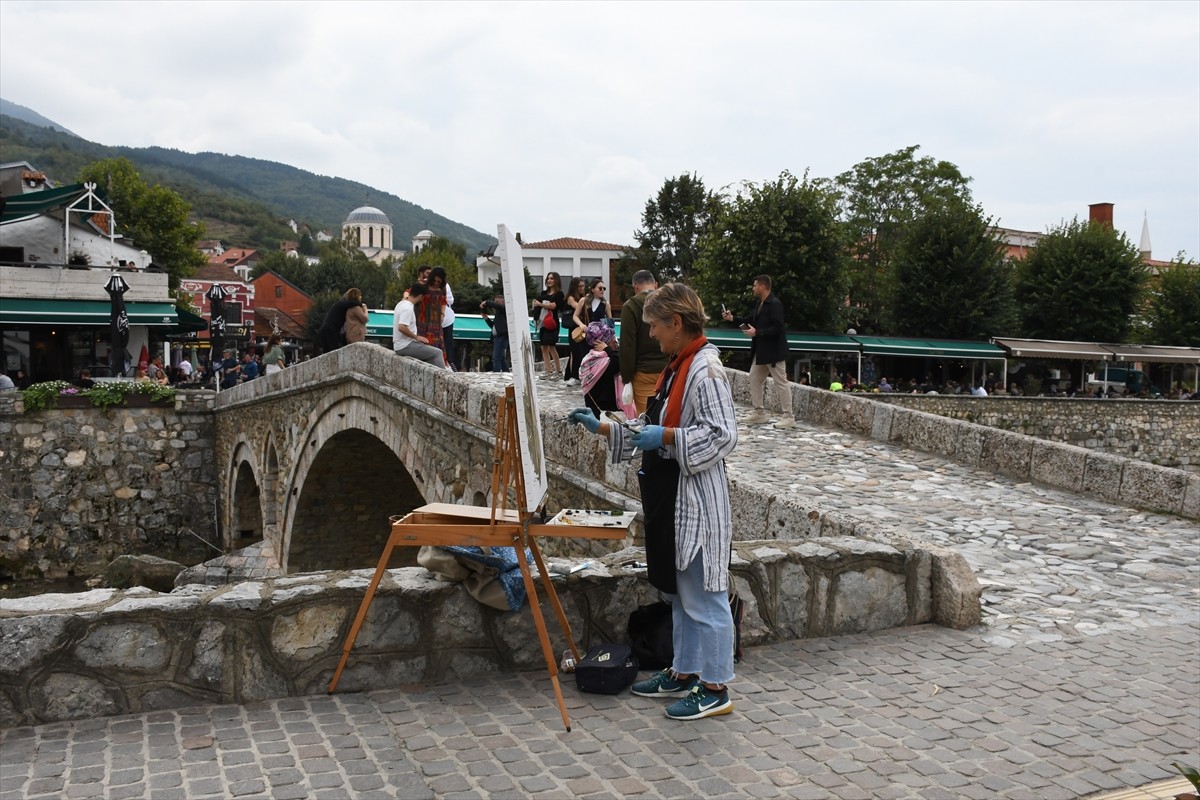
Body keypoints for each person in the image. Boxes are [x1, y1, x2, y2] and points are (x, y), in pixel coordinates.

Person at [568, 282, 739, 721]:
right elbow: (650, 423)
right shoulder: (678, 366)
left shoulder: (706, 371)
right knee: (682, 596)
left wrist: (665, 437)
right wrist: (604, 428)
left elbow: (722, 436)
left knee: (707, 598)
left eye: (657, 328)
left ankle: (716, 688)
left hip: (697, 503)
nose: (653, 336)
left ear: (677, 324)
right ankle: (683, 671)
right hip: (674, 499)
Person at [722, 274, 794, 429]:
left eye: (755, 285)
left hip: (774, 352)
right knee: (754, 378)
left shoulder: (775, 304)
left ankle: (788, 416)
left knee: (781, 383)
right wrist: (732, 318)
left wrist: (758, 332)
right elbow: (750, 320)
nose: (753, 288)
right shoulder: (760, 304)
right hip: (761, 352)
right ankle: (759, 413)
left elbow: (778, 327)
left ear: (763, 286)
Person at [620, 270, 670, 414]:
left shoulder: (631, 306)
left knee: (647, 418)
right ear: (656, 284)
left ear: (635, 286)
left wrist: (627, 377)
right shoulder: (668, 303)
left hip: (644, 372)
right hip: (669, 370)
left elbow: (627, 345)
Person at [578, 321, 634, 417]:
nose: (615, 342)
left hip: (599, 410)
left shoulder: (589, 359)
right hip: (606, 413)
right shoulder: (604, 362)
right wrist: (607, 349)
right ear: (603, 342)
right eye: (612, 340)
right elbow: (622, 361)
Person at [393, 282, 449, 368]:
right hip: (405, 345)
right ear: (420, 296)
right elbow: (401, 327)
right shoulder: (408, 308)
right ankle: (444, 379)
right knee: (437, 353)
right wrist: (416, 337)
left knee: (428, 353)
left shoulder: (401, 304)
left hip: (400, 345)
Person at [533, 272, 564, 378]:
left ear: (556, 280)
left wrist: (540, 304)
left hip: (552, 322)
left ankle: (559, 371)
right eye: (548, 278)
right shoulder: (543, 293)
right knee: (543, 347)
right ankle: (549, 370)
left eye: (552, 278)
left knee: (551, 346)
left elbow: (554, 306)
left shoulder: (559, 294)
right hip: (542, 322)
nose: (549, 280)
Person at [318, 289, 364, 354]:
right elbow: (354, 303)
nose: (361, 297)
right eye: (360, 295)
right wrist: (362, 306)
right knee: (335, 353)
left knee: (328, 353)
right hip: (330, 330)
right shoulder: (343, 304)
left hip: (326, 330)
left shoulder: (339, 304)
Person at [429, 267, 457, 370]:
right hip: (434, 319)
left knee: (445, 342)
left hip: (444, 319)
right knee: (442, 342)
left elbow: (449, 300)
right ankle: (446, 363)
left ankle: (448, 363)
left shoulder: (445, 286)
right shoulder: (431, 287)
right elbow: (450, 300)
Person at [562, 277, 588, 385]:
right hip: (574, 328)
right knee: (574, 351)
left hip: (582, 327)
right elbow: (578, 308)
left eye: (583, 286)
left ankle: (578, 374)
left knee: (581, 351)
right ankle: (573, 375)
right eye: (580, 286)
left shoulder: (583, 297)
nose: (582, 288)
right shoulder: (571, 298)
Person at [480, 296, 509, 372]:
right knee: (501, 358)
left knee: (496, 357)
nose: (495, 304)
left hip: (502, 337)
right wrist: (486, 318)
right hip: (497, 337)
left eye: (497, 302)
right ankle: (506, 372)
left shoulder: (504, 309)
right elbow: (494, 326)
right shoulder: (499, 314)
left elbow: (497, 306)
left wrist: (486, 302)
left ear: (503, 302)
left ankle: (496, 373)